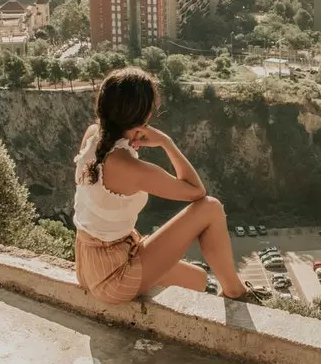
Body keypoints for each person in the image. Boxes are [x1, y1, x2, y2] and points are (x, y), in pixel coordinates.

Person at [72, 67, 259, 304]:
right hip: (113, 277)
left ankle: (231, 292)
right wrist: (166, 142)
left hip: (89, 265)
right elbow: (197, 192)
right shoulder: (127, 166)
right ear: (144, 116)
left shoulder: (92, 136)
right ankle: (237, 294)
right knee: (210, 208)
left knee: (198, 280)